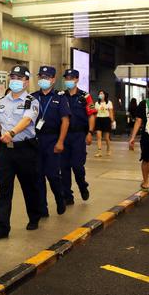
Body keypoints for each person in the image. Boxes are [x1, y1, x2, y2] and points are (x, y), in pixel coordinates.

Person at [0, 65, 42, 240]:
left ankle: (34, 216)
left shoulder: (31, 101)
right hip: (6, 152)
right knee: (4, 189)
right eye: (13, 78)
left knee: (29, 186)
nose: (15, 81)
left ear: (26, 82)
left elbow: (26, 121)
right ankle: (2, 227)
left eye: (19, 78)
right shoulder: (3, 101)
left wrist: (11, 134)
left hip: (25, 149)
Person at [32, 66, 70, 217]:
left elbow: (65, 121)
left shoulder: (60, 98)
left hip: (52, 139)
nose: (43, 80)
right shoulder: (33, 97)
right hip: (36, 140)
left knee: (52, 174)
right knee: (38, 175)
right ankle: (42, 208)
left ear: (53, 80)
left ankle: (60, 199)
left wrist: (60, 141)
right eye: (41, 76)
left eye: (47, 77)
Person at [61, 69, 97, 205]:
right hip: (64, 135)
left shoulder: (85, 96)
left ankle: (82, 186)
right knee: (63, 167)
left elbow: (92, 115)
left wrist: (90, 132)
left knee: (77, 166)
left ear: (76, 79)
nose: (68, 80)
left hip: (79, 135)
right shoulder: (61, 96)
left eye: (71, 78)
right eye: (66, 78)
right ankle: (67, 196)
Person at [94, 90, 114, 157]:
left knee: (106, 138)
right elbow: (95, 113)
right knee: (98, 137)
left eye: (102, 93)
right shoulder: (96, 103)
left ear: (105, 95)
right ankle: (99, 152)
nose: (100, 95)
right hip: (99, 120)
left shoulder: (109, 103)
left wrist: (112, 121)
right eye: (99, 94)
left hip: (106, 120)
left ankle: (108, 149)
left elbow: (111, 112)